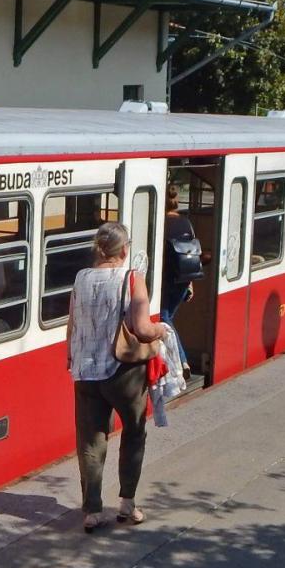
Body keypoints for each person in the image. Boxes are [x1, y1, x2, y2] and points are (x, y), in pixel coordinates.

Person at [67, 222, 167, 533]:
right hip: (122, 372)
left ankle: (92, 511)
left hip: (85, 370)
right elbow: (141, 328)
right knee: (134, 431)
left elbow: (72, 325)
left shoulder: (80, 278)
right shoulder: (131, 278)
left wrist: (71, 358)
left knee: (91, 438)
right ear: (124, 250)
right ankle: (127, 504)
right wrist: (161, 330)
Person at [160, 185, 203, 376]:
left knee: (164, 319)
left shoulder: (160, 224)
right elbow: (191, 252)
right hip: (183, 281)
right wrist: (190, 284)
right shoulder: (187, 223)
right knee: (167, 319)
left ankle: (181, 362)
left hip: (165, 281)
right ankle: (171, 363)